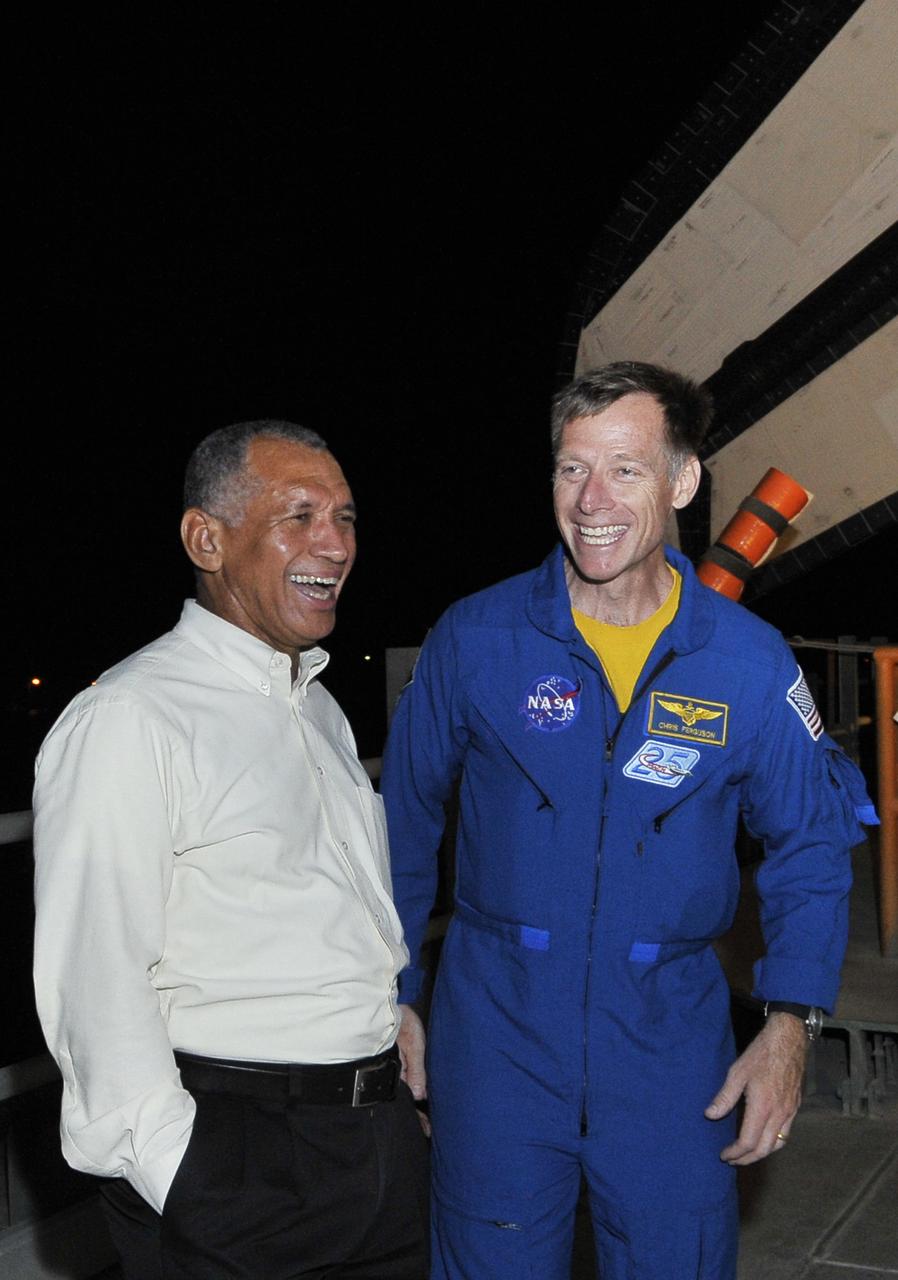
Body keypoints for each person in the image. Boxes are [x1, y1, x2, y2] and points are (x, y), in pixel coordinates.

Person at [380, 363, 875, 1279]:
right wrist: (396, 993)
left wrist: (791, 1025)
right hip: (495, 1043)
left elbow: (810, 843)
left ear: (683, 482)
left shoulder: (747, 663)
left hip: (669, 1051)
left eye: (625, 469)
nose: (592, 500)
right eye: (572, 469)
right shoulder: (476, 639)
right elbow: (403, 824)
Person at [33, 420, 429, 1280]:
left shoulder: (317, 706)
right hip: (241, 1159)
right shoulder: (131, 718)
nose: (336, 542)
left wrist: (385, 1021)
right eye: (299, 515)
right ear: (206, 538)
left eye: (347, 517)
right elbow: (92, 980)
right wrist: (184, 1171)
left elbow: (318, 902)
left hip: (375, 1144)